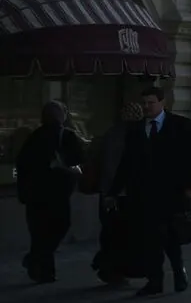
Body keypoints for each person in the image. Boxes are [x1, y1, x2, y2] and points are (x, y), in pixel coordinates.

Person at [113, 86, 191, 297]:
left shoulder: (181, 125)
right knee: (149, 238)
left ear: (162, 102)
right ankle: (155, 280)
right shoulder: (135, 130)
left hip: (172, 192)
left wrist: (190, 187)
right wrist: (114, 190)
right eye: (144, 103)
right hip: (143, 194)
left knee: (170, 235)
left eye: (151, 103)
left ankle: (179, 272)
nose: (146, 107)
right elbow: (126, 162)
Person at [14, 101, 86, 284]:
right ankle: (39, 264)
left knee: (39, 232)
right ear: (61, 116)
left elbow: (21, 166)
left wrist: (23, 192)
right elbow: (78, 158)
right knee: (58, 226)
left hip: (35, 194)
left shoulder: (33, 137)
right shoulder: (66, 135)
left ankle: (43, 269)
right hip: (57, 192)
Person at [88, 101, 144, 286]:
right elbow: (116, 168)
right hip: (119, 194)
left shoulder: (112, 134)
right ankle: (111, 270)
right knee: (119, 234)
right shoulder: (128, 137)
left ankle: (109, 267)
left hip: (110, 192)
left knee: (111, 233)